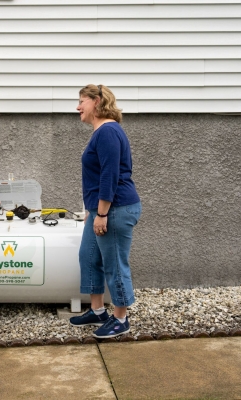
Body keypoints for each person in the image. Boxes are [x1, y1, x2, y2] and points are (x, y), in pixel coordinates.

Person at [69, 84, 141, 339]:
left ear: (97, 101)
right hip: (100, 209)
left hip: (116, 209)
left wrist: (102, 213)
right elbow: (98, 175)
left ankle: (121, 319)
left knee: (114, 264)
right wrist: (92, 210)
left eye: (82, 101)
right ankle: (97, 310)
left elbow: (109, 176)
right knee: (88, 257)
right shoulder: (101, 132)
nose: (78, 106)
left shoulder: (108, 131)